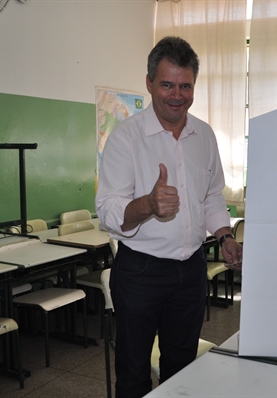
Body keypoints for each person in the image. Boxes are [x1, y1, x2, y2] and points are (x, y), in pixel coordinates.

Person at [95, 36, 243, 397]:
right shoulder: (125, 139)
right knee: (133, 375)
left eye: (185, 86)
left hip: (191, 271)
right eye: (167, 84)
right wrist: (147, 204)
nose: (177, 95)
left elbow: (210, 197)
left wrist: (224, 236)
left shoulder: (204, 136)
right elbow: (108, 212)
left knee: (182, 372)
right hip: (140, 273)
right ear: (149, 83)